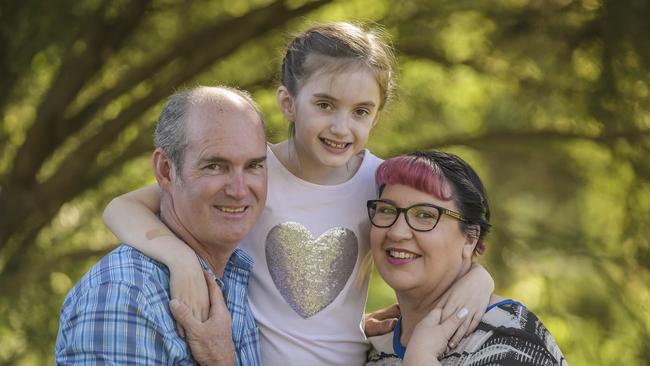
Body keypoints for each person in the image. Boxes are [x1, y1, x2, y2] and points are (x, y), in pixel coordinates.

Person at [102, 23, 494, 365]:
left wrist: (480, 281)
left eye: (361, 111)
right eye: (325, 105)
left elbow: (438, 247)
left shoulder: (380, 184)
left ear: (377, 114)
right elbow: (122, 208)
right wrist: (180, 259)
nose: (341, 127)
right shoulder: (253, 174)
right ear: (288, 103)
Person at [55, 86, 267, 365]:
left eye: (253, 166)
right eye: (215, 166)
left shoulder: (242, 276)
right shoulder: (126, 297)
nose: (240, 190)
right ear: (166, 170)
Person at [364, 151, 568, 365]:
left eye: (425, 215)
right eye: (386, 210)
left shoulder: (509, 338)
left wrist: (420, 358)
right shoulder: (374, 344)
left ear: (470, 238)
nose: (397, 232)